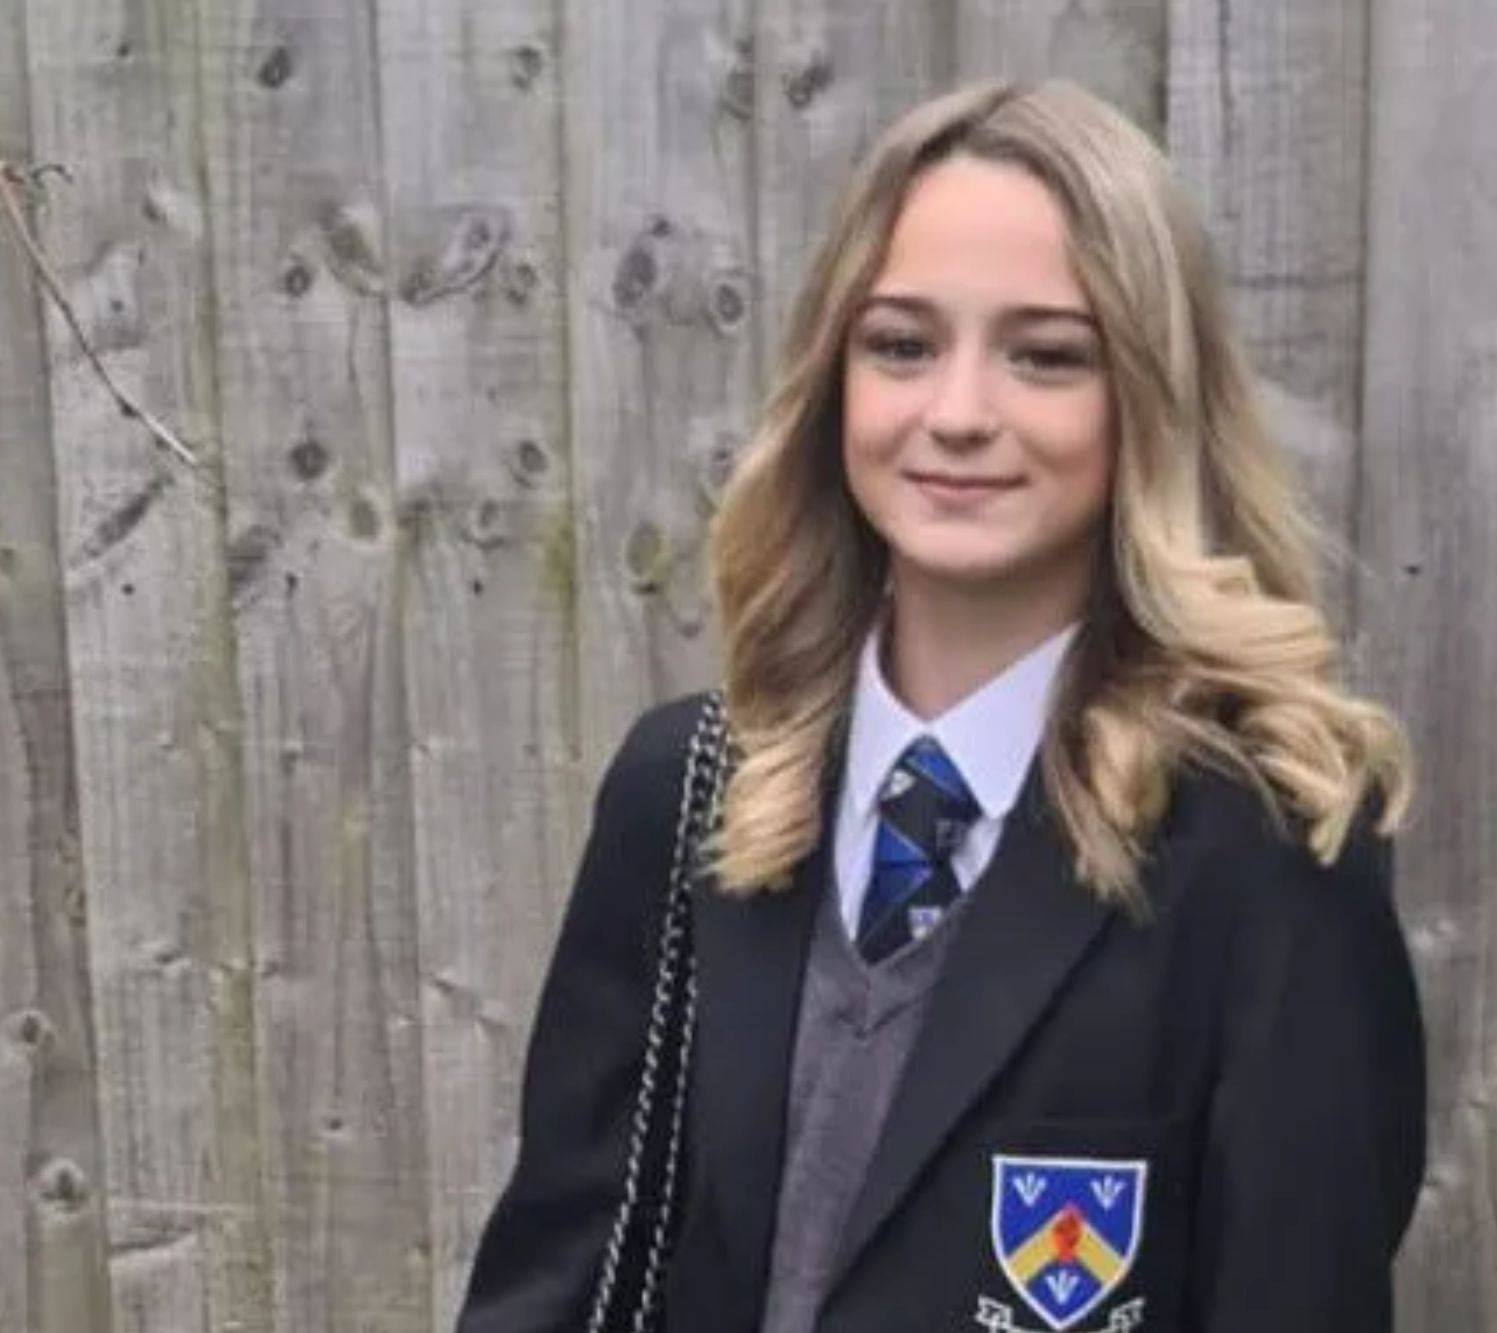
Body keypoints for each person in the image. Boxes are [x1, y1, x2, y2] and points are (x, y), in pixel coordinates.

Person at [457, 79, 1425, 1333]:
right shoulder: (686, 792)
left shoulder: (1266, 850)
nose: (957, 414)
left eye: (1046, 356)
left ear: (1147, 397)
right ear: (833, 381)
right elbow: (557, 1276)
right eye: (902, 345)